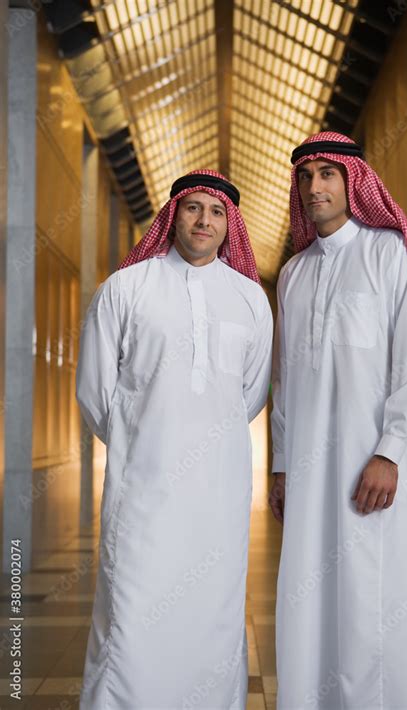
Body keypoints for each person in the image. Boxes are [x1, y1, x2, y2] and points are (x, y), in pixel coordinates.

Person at [268, 132, 407, 709]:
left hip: (376, 467)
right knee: (313, 601)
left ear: (354, 182)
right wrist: (279, 465)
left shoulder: (390, 253)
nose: (315, 186)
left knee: (380, 601)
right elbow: (284, 382)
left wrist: (391, 450)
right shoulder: (293, 275)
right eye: (306, 176)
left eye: (328, 173)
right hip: (308, 474)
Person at [76, 169, 273, 709]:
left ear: (229, 223)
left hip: (219, 493)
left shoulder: (251, 299)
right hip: (143, 490)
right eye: (193, 208)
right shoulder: (126, 287)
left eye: (216, 212)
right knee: (131, 611)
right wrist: (145, 443)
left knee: (212, 613)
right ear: (173, 215)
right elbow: (96, 391)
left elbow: (250, 394)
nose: (204, 220)